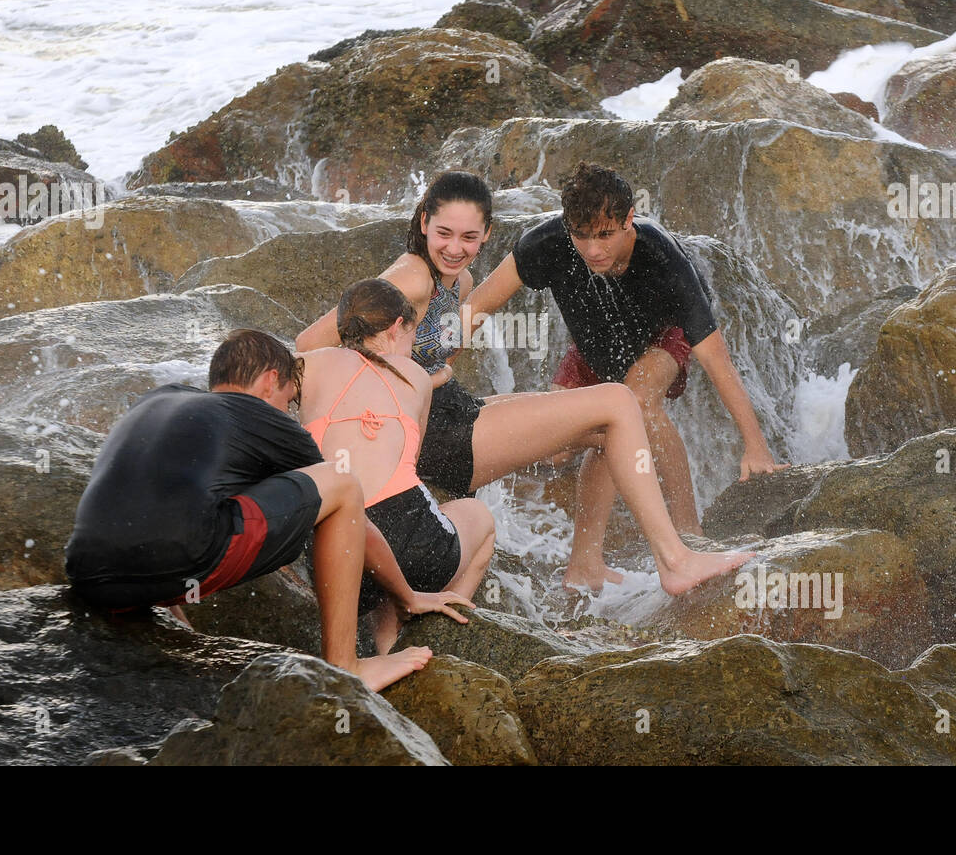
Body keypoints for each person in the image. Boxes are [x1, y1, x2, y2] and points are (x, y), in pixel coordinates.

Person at [296, 172, 754, 595]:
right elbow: (309, 345)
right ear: (423, 223)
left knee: (604, 428)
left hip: (453, 409)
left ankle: (585, 566)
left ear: (487, 235)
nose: (456, 248)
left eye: (470, 237)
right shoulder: (411, 276)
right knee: (617, 402)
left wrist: (430, 370)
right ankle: (674, 560)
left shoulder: (457, 280)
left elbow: (442, 343)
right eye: (444, 234)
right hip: (443, 438)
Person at [65, 328, 469, 693]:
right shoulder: (257, 414)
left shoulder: (157, 401)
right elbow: (351, 516)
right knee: (341, 481)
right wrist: (406, 595)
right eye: (289, 400)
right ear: (269, 381)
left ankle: (174, 622)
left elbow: (159, 504)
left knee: (179, 503)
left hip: (90, 576)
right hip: (186, 553)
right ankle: (346, 666)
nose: (287, 412)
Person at [467, 161, 789, 589]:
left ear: (628, 220)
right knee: (567, 442)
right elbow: (476, 306)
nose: (593, 248)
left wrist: (755, 444)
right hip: (597, 346)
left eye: (605, 234)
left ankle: (688, 535)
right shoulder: (546, 243)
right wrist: (433, 361)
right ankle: (584, 563)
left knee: (634, 402)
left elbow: (716, 359)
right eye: (582, 235)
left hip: (662, 337)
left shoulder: (662, 258)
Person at [298, 279, 495, 655]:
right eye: (411, 334)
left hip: (337, 557)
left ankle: (386, 646)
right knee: (480, 518)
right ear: (395, 328)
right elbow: (410, 464)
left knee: (373, 549)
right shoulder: (416, 376)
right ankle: (436, 639)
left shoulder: (309, 366)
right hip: (415, 546)